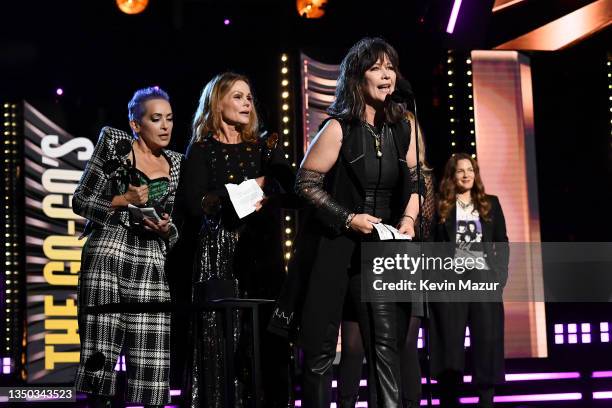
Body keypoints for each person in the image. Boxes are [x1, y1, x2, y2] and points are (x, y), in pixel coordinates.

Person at [282, 37, 430, 408]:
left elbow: (415, 180)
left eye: (391, 67)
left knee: (385, 346)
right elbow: (305, 183)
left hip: (380, 246)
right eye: (376, 67)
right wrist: (348, 218)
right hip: (334, 243)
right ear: (357, 77)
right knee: (319, 351)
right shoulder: (338, 127)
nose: (387, 75)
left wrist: (409, 218)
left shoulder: (404, 125)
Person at [174, 72, 295, 408]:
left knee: (266, 340)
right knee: (219, 341)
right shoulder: (201, 150)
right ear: (218, 102)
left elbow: (289, 186)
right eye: (238, 96)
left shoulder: (265, 144)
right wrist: (251, 188)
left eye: (249, 97)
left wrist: (262, 186)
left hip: (263, 254)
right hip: (218, 253)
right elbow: (196, 204)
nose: (246, 103)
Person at [73, 87, 182, 408]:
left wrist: (166, 229)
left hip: (150, 264)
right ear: (136, 125)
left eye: (170, 119)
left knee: (151, 371)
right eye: (156, 119)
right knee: (100, 362)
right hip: (107, 257)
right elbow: (81, 200)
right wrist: (124, 200)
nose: (165, 126)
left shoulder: (176, 163)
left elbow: (175, 228)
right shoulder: (115, 145)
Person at [336, 114, 436, 408]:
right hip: (364, 257)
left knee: (403, 344)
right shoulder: (369, 168)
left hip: (406, 262)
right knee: (353, 344)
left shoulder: (421, 179)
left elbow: (427, 228)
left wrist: (408, 219)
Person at [430, 153, 509, 407]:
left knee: (486, 343)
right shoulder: (441, 205)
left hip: (483, 281)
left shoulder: (490, 204)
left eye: (470, 170)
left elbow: (501, 242)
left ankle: (486, 401)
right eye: (461, 171)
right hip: (451, 284)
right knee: (450, 347)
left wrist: (499, 276)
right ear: (452, 177)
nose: (466, 175)